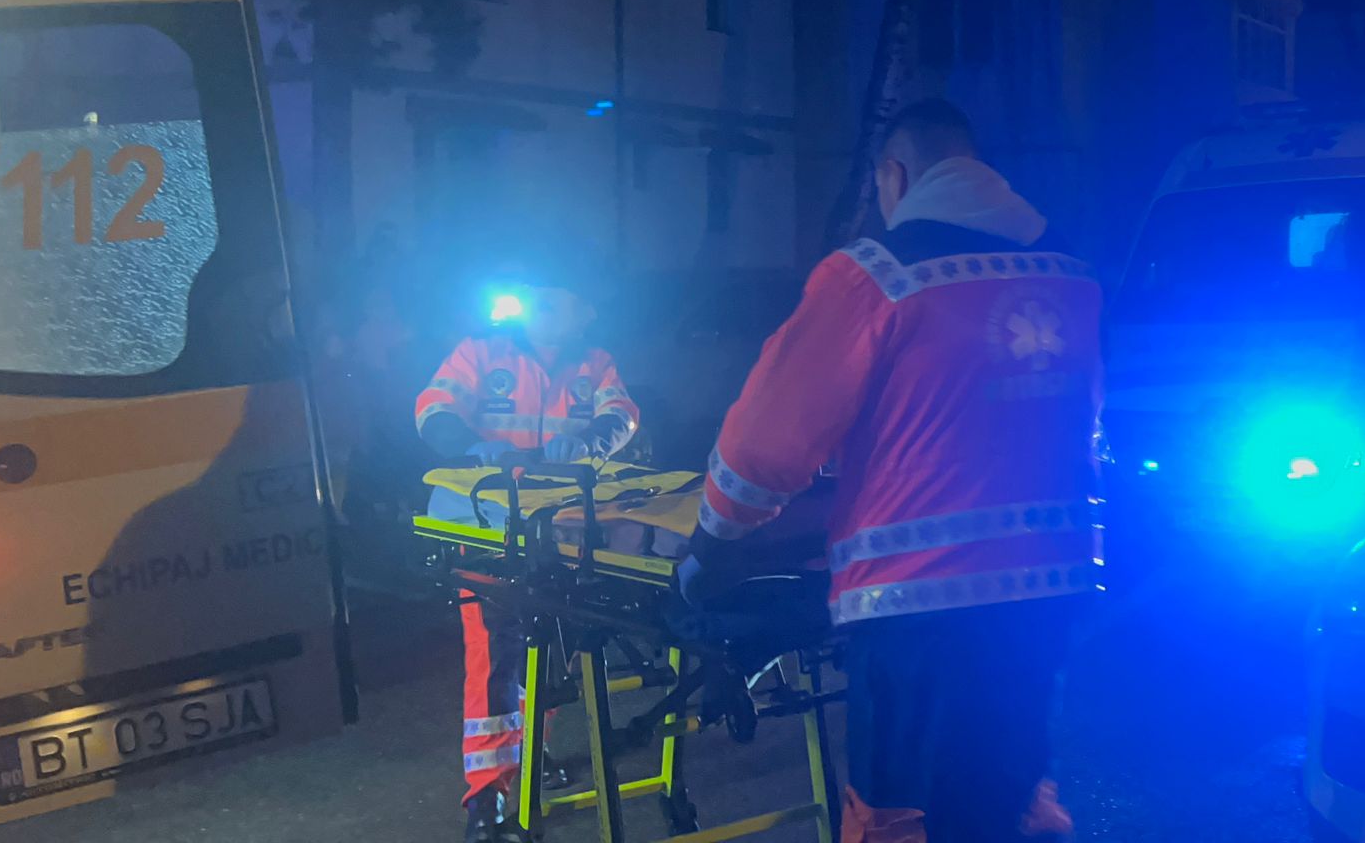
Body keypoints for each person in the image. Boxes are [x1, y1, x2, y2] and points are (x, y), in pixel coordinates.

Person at [681, 99, 1103, 842]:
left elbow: (768, 440)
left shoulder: (875, 275)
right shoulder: (1071, 272)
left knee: (902, 814)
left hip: (917, 602)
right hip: (1050, 589)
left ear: (895, 175)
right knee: (1008, 796)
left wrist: (711, 543)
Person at [414, 258, 640, 843]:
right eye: (538, 296)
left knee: (549, 652)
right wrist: (471, 445)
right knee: (494, 659)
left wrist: (587, 442)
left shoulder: (596, 364)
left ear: (584, 310)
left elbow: (622, 417)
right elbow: (432, 409)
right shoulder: (482, 352)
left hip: (558, 532)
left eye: (556, 298)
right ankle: (486, 799)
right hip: (484, 529)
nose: (542, 307)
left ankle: (526, 754)